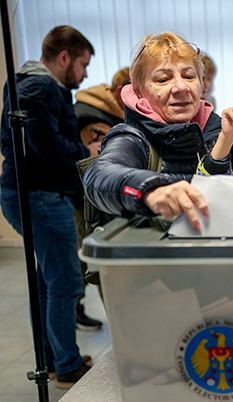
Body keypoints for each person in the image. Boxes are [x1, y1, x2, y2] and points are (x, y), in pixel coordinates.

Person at [0, 25, 97, 388]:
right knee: (67, 281)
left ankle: (56, 360)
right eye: (83, 64)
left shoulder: (22, 84)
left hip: (30, 192)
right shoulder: (40, 87)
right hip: (40, 195)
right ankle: (68, 367)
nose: (85, 74)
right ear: (64, 58)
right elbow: (46, 144)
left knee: (48, 282)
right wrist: (84, 152)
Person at [82, 32, 233, 233]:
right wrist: (150, 190)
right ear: (140, 91)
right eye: (163, 79)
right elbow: (99, 176)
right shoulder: (132, 137)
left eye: (189, 76)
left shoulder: (211, 131)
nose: (181, 87)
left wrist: (226, 139)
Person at [72, 66, 131, 332]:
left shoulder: (107, 112)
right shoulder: (94, 119)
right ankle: (118, 329)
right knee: (93, 265)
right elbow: (100, 168)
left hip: (99, 203)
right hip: (88, 204)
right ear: (120, 93)